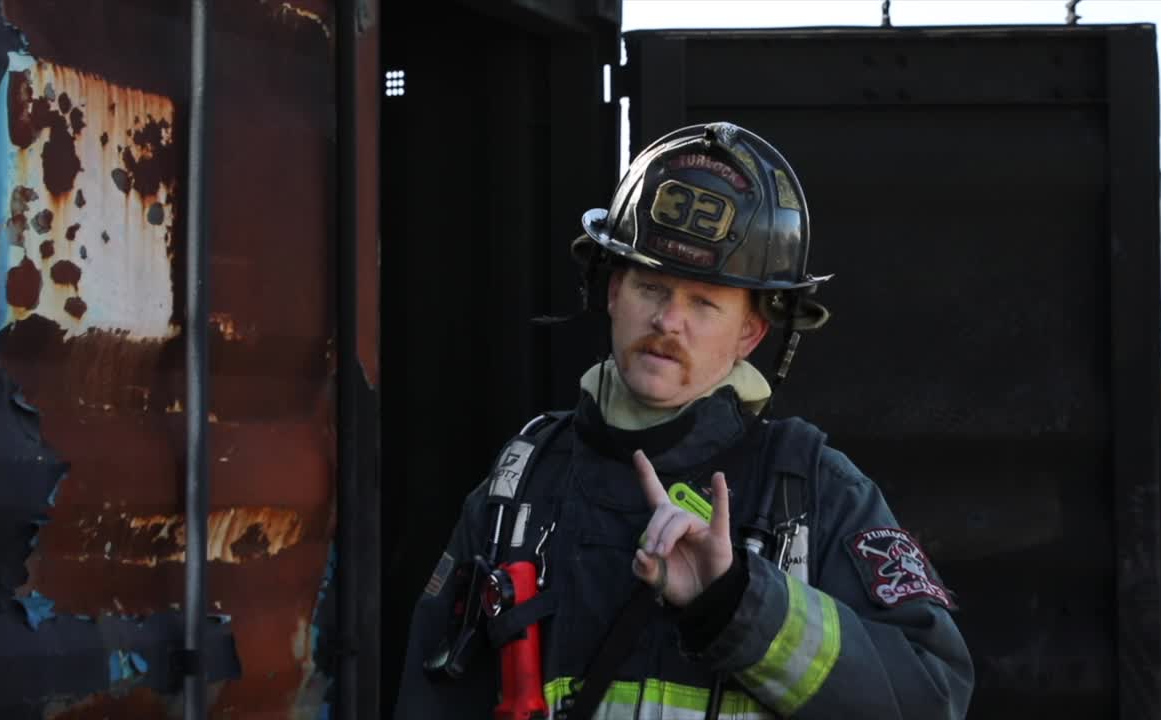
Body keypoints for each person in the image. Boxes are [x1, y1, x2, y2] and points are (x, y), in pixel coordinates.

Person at [394, 122, 974, 719]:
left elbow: (931, 698)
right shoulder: (520, 483)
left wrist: (736, 601)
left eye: (704, 302)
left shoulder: (812, 492)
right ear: (614, 291)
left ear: (750, 332)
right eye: (651, 286)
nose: (669, 321)